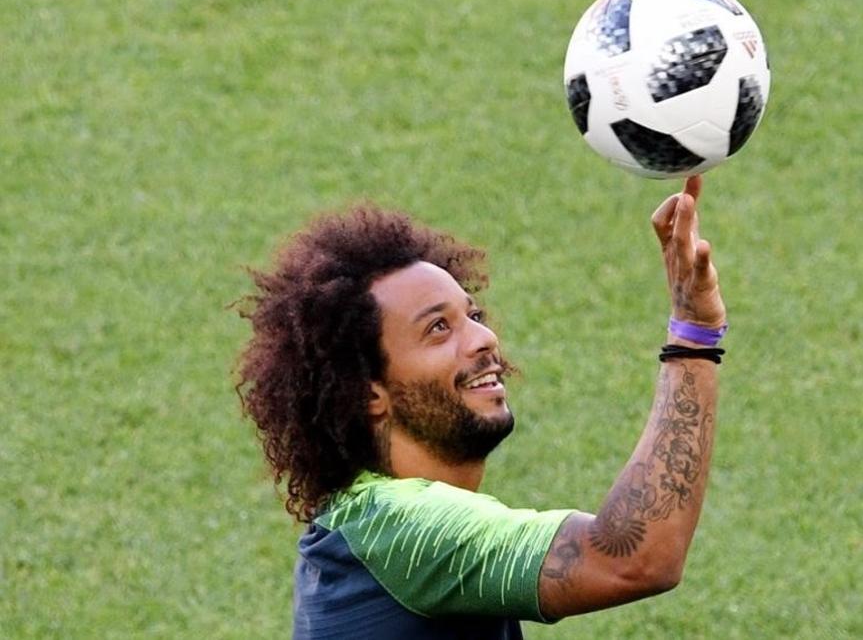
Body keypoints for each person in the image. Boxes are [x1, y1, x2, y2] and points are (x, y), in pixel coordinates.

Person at [237, 176, 726, 638]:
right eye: (438, 329)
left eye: (472, 315)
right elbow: (633, 558)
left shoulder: (361, 522)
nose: (484, 338)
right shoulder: (401, 529)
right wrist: (694, 335)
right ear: (368, 392)